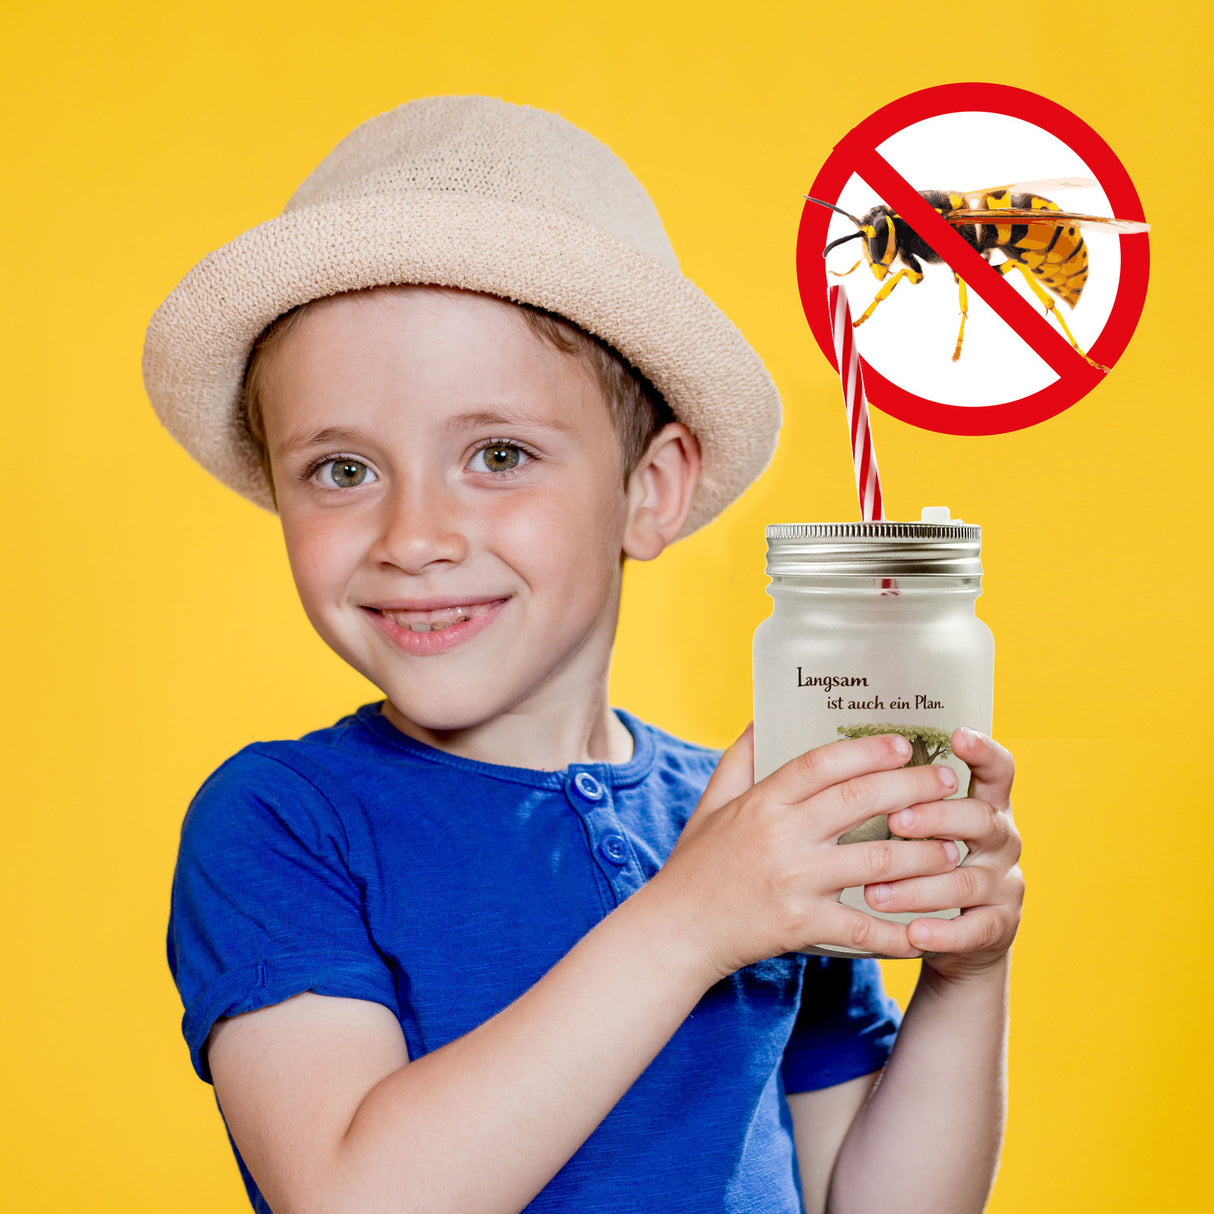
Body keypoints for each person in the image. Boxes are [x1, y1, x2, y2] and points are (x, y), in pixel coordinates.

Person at [146, 96, 1023, 1214]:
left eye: (497, 452)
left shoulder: (745, 825)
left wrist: (962, 970)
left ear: (646, 490)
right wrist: (695, 918)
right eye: (342, 470)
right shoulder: (281, 820)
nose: (413, 536)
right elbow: (354, 1196)